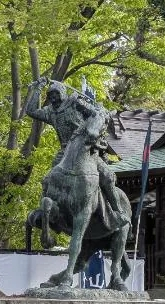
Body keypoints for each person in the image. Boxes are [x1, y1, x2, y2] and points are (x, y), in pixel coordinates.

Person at [25, 77, 130, 227]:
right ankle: (46, 211)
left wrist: (98, 115)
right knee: (47, 180)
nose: (53, 98)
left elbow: (98, 115)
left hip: (87, 149)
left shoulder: (75, 103)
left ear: (62, 93)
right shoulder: (50, 112)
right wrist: (38, 88)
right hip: (64, 152)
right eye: (50, 95)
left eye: (55, 94)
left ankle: (118, 212)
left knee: (107, 177)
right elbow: (31, 111)